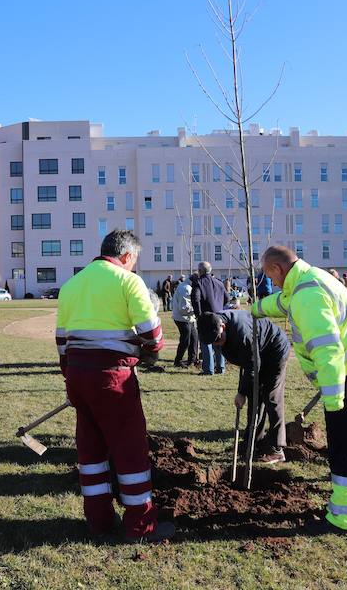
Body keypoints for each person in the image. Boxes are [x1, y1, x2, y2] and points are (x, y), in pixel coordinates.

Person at [252, 246, 347, 534]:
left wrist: (334, 397)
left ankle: (343, 518)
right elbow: (282, 302)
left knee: (345, 446)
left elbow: (328, 351)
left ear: (277, 269)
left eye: (269, 275)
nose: (270, 282)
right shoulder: (311, 279)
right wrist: (255, 309)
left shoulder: (307, 296)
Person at [55, 229, 174, 543]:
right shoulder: (128, 281)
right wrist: (151, 352)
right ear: (128, 256)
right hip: (113, 378)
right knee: (129, 447)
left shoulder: (71, 285)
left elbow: (61, 341)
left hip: (78, 376)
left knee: (90, 449)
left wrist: (71, 376)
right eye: (134, 261)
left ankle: (98, 520)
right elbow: (153, 335)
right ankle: (139, 525)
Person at [197, 311, 290, 464]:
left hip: (274, 351)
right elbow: (248, 365)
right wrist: (246, 391)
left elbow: (253, 366)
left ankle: (276, 448)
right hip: (256, 354)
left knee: (271, 398)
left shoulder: (243, 333)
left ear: (223, 326)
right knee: (255, 398)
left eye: (218, 339)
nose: (217, 343)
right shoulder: (211, 323)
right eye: (213, 342)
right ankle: (253, 443)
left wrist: (241, 393)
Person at [191, 262, 228, 375]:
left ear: (200, 271)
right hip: (219, 315)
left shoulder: (198, 283)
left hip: (206, 316)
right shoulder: (219, 282)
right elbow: (226, 298)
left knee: (206, 342)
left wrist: (198, 315)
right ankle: (221, 367)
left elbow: (196, 300)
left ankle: (208, 369)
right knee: (219, 341)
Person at [171, 274, 198, 368]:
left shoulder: (188, 286)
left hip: (189, 318)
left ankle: (192, 360)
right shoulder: (185, 288)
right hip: (182, 318)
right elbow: (184, 309)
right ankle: (178, 361)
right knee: (185, 340)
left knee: (194, 338)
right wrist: (197, 310)